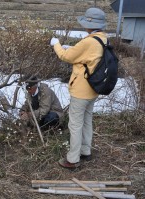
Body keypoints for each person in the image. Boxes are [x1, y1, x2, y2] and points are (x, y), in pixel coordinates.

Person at [50, 7, 107, 169]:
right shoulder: (102, 39)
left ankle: (72, 159)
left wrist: (57, 45)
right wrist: (72, 48)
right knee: (87, 120)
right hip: (94, 89)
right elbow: (87, 57)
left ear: (90, 24)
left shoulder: (88, 41)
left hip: (81, 90)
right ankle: (85, 151)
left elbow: (65, 56)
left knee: (75, 124)